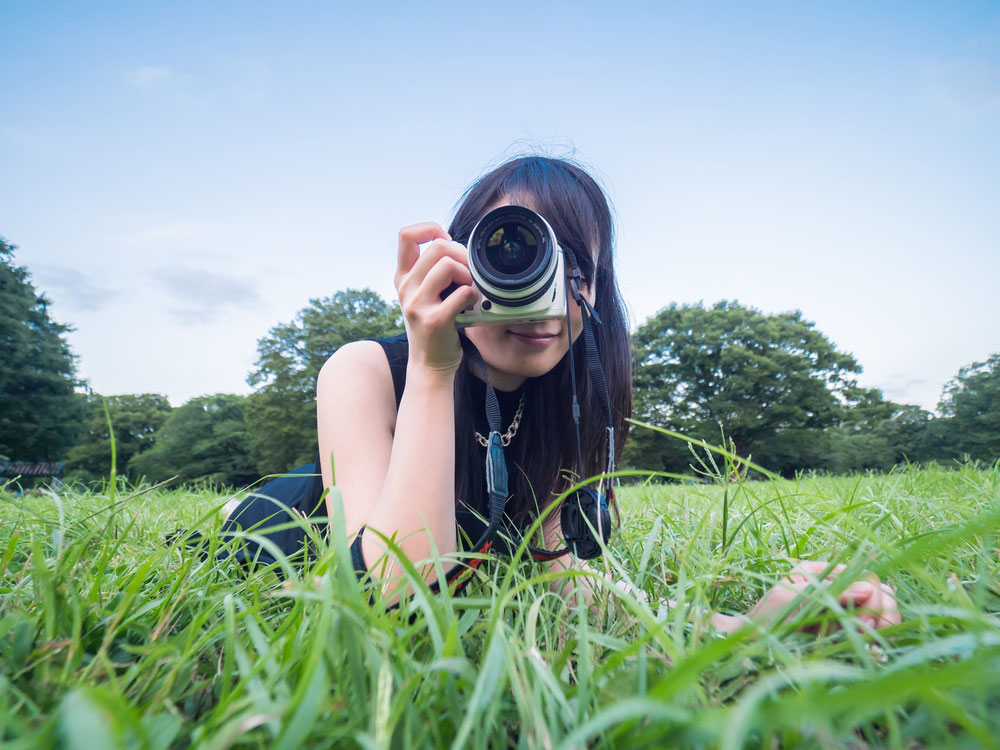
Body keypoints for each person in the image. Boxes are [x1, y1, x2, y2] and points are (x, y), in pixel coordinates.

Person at [225, 155, 900, 633]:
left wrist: (750, 624)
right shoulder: (365, 370)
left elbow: (560, 577)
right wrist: (434, 369)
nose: (546, 298)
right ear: (457, 261)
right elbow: (393, 597)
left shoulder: (570, 400)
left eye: (576, 269)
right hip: (301, 523)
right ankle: (236, 501)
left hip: (461, 533)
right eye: (513, 254)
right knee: (270, 513)